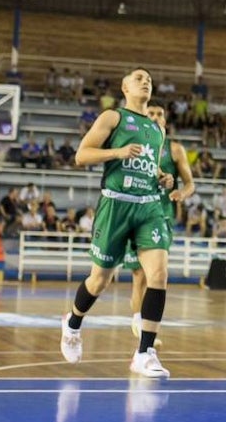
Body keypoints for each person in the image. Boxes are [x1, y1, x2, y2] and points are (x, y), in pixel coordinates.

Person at [59, 67, 173, 377]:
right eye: (138, 77)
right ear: (124, 88)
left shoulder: (158, 129)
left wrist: (164, 177)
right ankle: (72, 324)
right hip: (115, 204)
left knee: (159, 274)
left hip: (148, 207)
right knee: (100, 280)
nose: (145, 80)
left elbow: (152, 169)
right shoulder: (113, 118)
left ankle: (144, 352)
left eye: (149, 78)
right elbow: (82, 156)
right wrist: (118, 151)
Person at [123, 104, 194, 350]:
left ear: (165, 119)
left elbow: (190, 184)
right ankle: (137, 321)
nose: (155, 117)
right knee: (137, 275)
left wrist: (181, 193)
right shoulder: (134, 144)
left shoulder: (175, 149)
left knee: (155, 275)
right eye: (151, 113)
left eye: (159, 114)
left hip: (161, 215)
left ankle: (145, 330)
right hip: (134, 213)